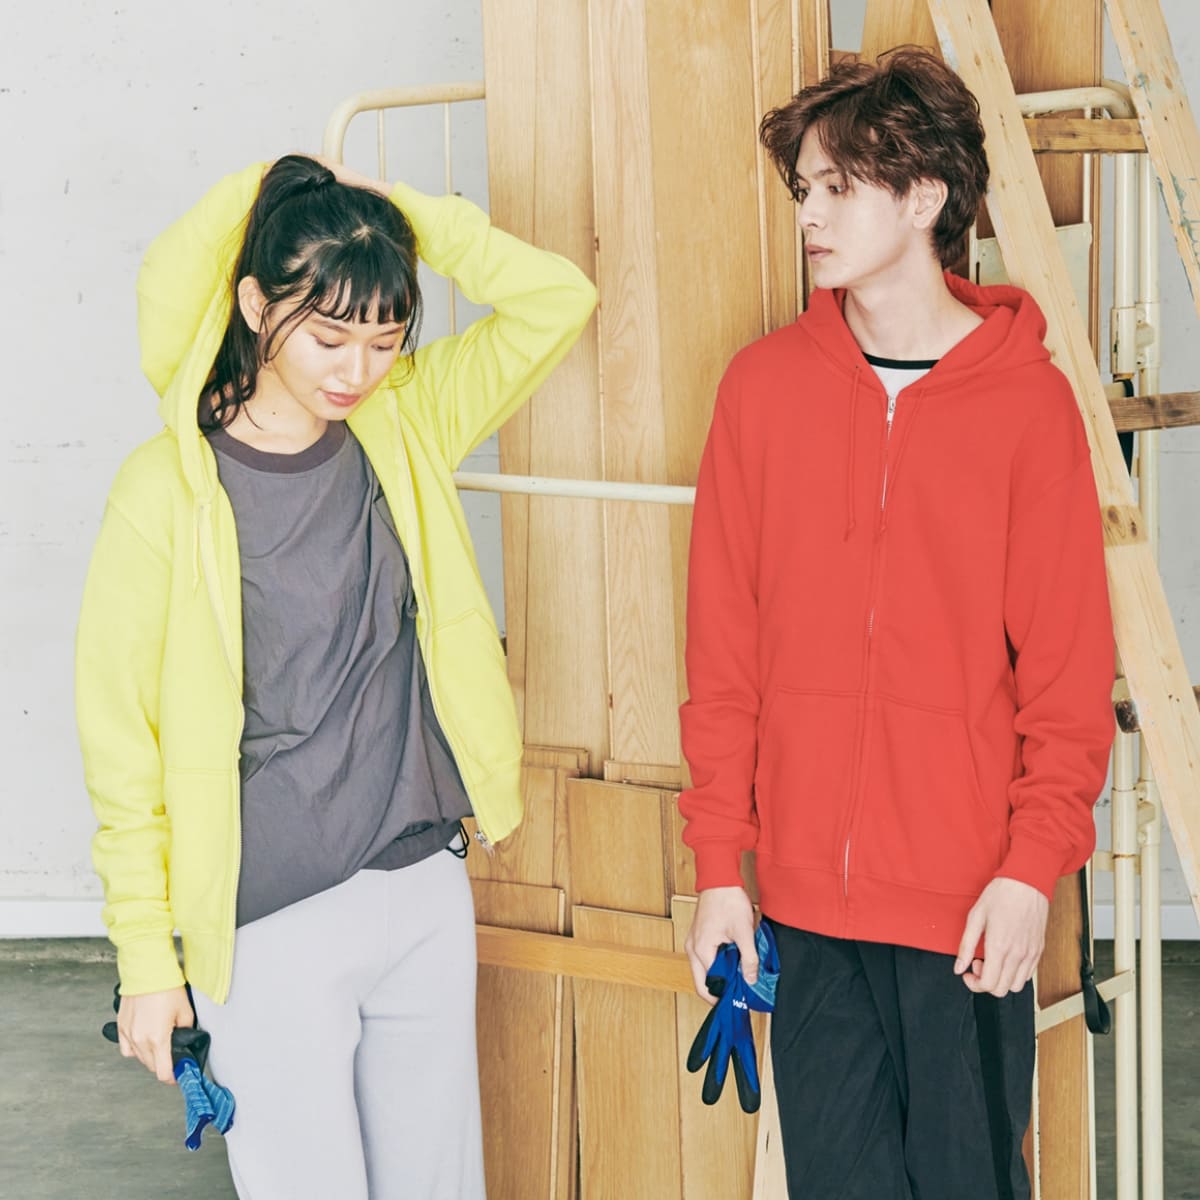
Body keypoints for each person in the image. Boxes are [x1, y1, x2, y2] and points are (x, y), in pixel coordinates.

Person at [75, 153, 595, 1199]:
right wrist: (145, 960)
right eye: (328, 337)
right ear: (253, 304)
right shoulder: (165, 490)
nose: (358, 368)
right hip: (272, 919)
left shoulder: (404, 423)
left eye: (386, 339)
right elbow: (122, 744)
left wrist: (403, 217)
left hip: (422, 884)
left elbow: (558, 301)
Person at [679, 50, 1114, 1199]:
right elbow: (723, 658)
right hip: (806, 908)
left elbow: (1067, 677)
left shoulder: (1026, 406)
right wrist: (720, 868)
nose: (810, 215)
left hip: (965, 907)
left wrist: (1030, 873)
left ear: (925, 196)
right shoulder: (762, 391)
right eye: (804, 189)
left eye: (839, 187)